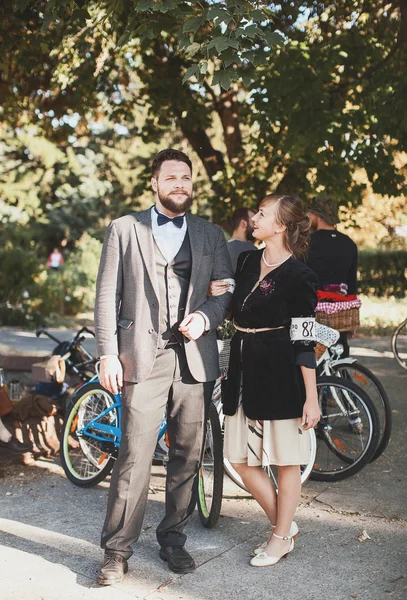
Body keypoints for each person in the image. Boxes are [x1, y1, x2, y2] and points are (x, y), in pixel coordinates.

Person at [94, 148, 234, 585]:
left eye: (187, 178)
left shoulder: (210, 234)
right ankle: (117, 551)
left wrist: (207, 316)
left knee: (188, 455)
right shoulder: (124, 229)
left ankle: (173, 537)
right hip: (141, 356)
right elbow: (106, 296)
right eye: (171, 177)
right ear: (154, 183)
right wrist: (107, 352)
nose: (181, 184)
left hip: (193, 358)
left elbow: (224, 291)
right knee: (134, 456)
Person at [221, 193, 320, 567]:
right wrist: (222, 293)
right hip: (243, 365)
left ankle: (279, 537)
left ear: (280, 225)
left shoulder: (301, 276)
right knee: (240, 459)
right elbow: (236, 307)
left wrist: (311, 398)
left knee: (285, 462)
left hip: (280, 372)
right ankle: (286, 524)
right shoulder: (247, 259)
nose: (255, 218)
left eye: (263, 214)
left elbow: (305, 338)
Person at [307, 195, 358, 357]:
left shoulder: (307, 242)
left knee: (312, 359)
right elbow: (352, 284)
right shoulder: (349, 244)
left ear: (317, 216)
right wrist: (352, 321)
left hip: (313, 312)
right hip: (341, 315)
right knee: (339, 358)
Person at [227, 207, 257, 272]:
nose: (256, 226)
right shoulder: (251, 250)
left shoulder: (222, 249)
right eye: (253, 222)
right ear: (243, 224)